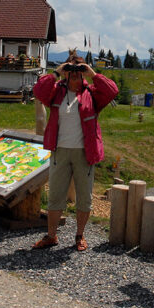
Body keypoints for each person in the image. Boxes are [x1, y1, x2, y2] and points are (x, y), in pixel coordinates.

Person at [31, 51, 118, 251]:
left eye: (79, 71)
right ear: (66, 72)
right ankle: (51, 235)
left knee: (84, 197)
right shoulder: (56, 91)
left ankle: (80, 235)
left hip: (84, 153)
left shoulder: (92, 93)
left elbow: (112, 91)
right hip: (60, 150)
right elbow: (38, 90)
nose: (75, 74)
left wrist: (92, 74)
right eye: (71, 71)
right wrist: (56, 72)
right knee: (56, 195)